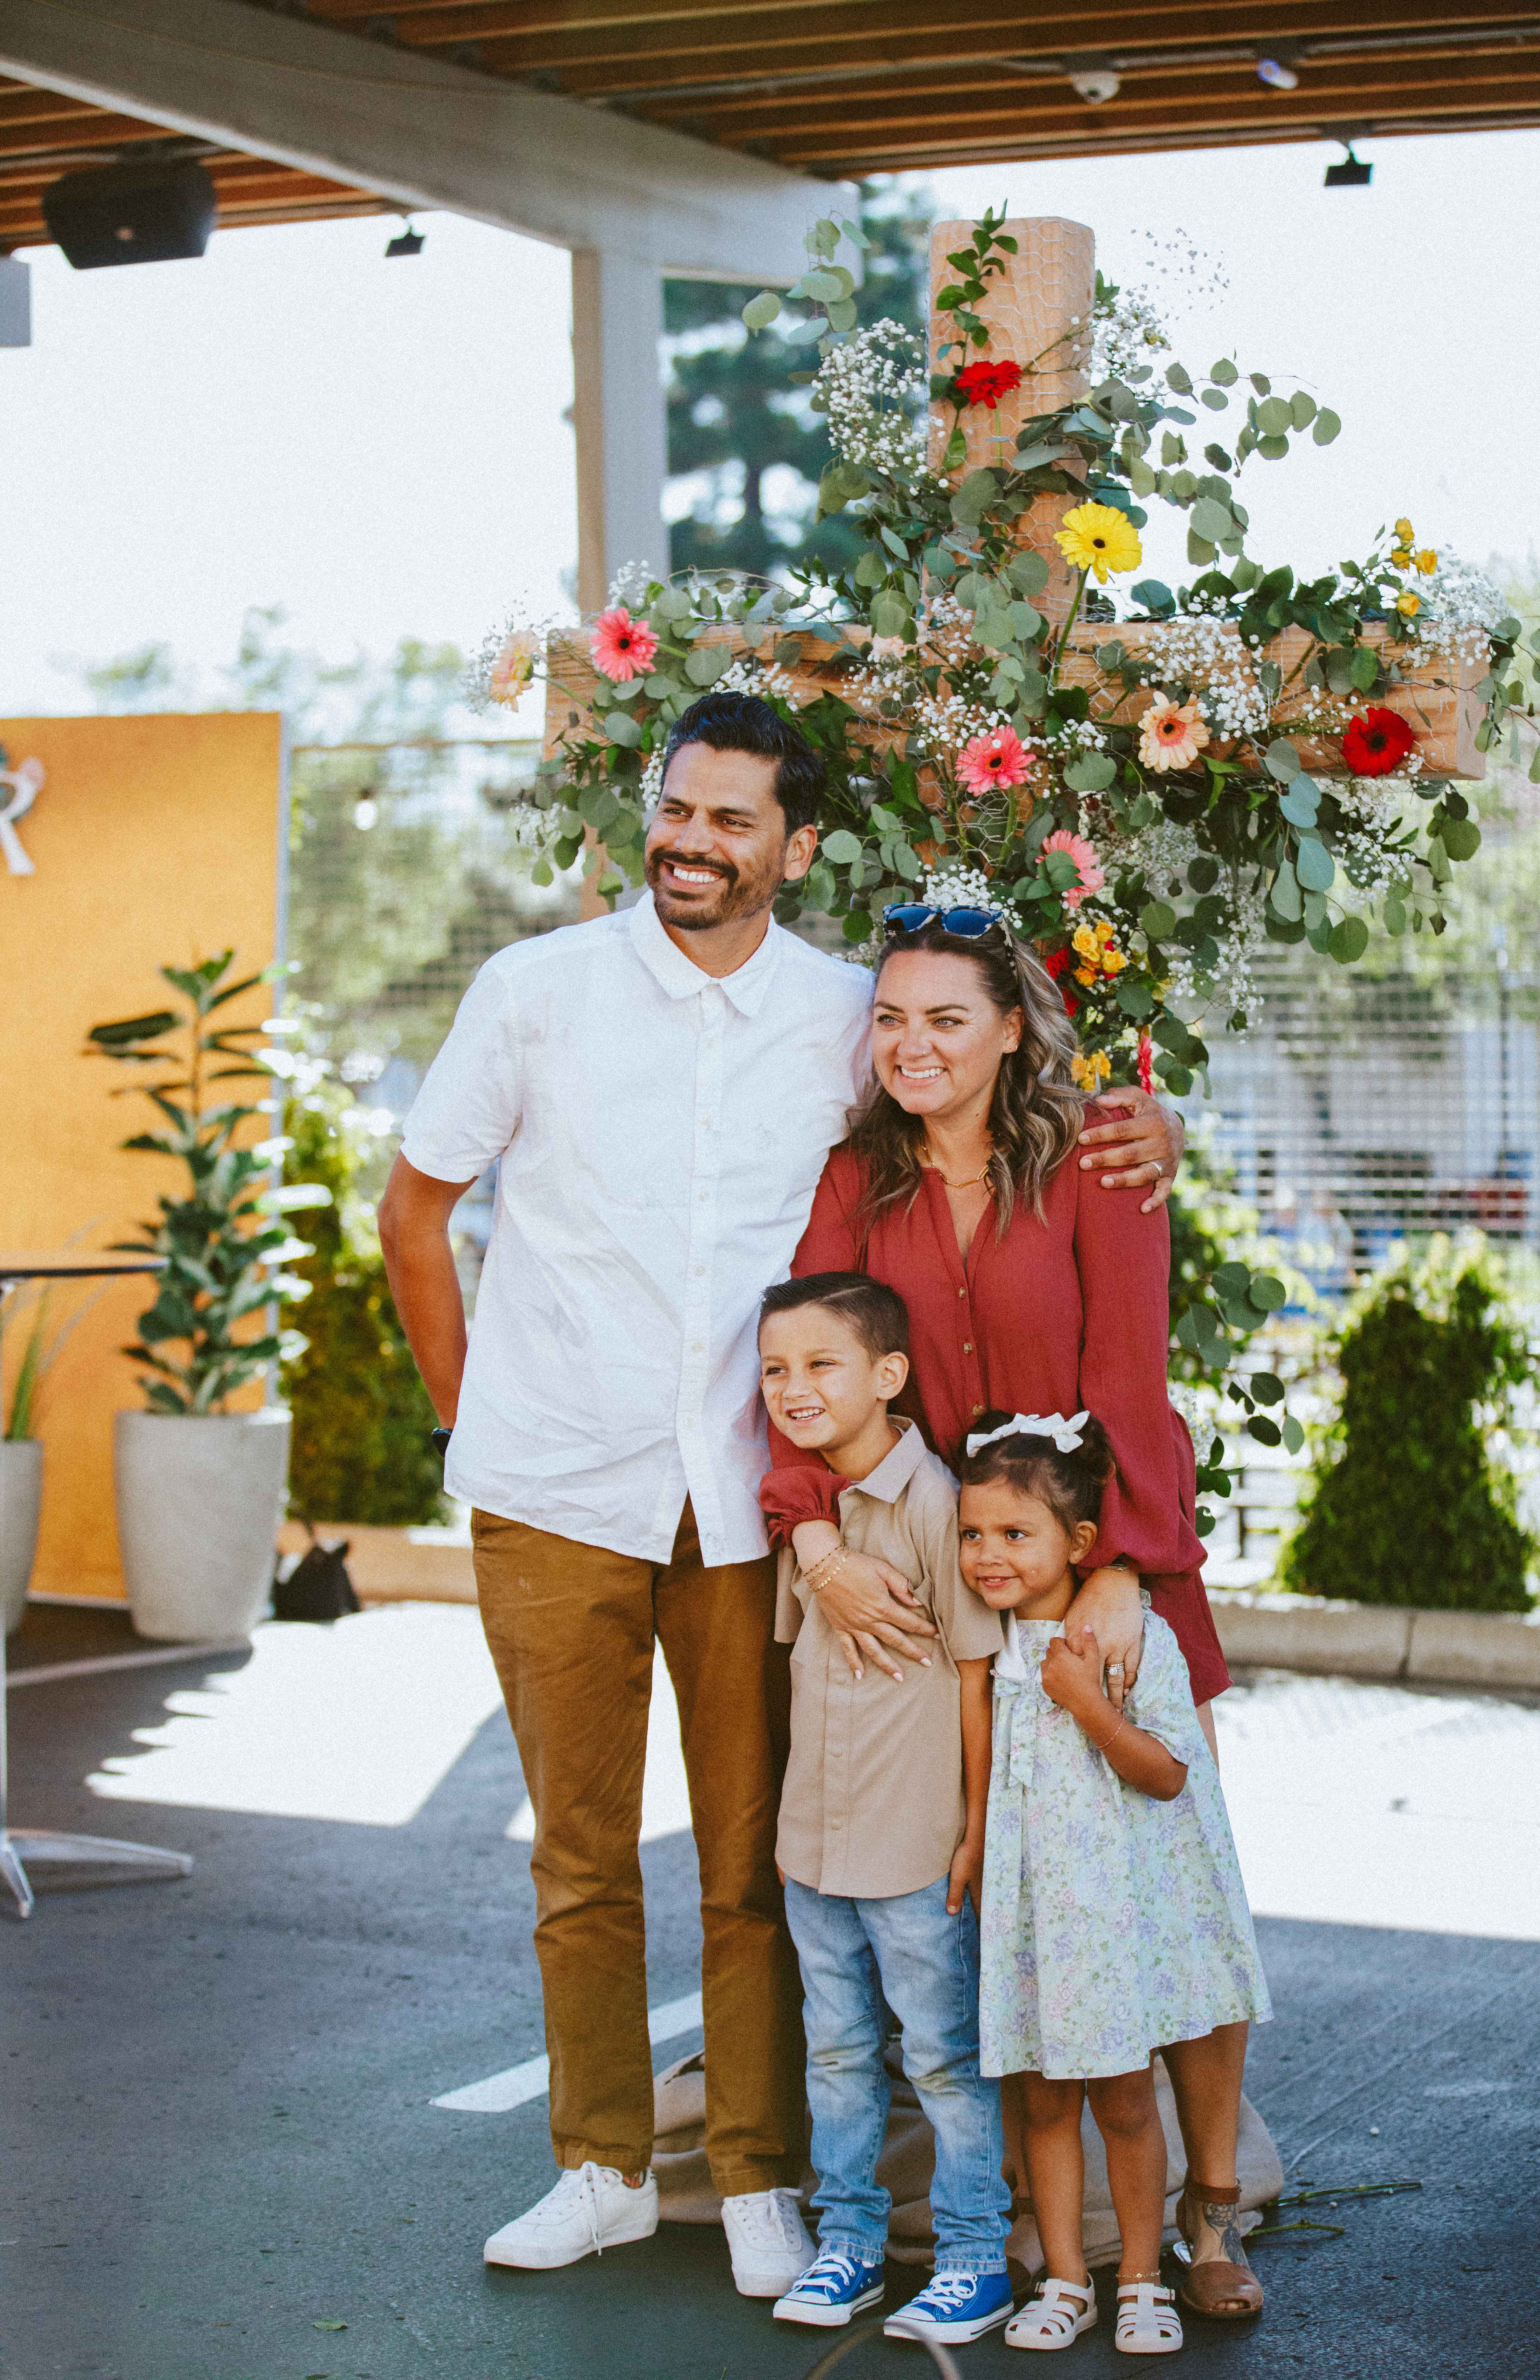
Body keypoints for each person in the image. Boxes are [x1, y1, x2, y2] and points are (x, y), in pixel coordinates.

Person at [377, 691, 1183, 2293]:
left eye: (733, 818)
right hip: (553, 1490)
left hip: (752, 1505)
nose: (692, 840)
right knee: (580, 1853)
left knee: (757, 1860)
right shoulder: (533, 992)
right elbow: (416, 1216)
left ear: (795, 846)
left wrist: (1152, 1127)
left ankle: (757, 2178)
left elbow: (976, 1098)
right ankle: (600, 2163)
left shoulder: (841, 1016)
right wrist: (482, 1427)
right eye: (678, 809)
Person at [761, 908, 1267, 2320]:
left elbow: (1131, 1370)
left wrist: (1128, 1566)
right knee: (1025, 1911)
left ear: (1007, 1029)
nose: (912, 1045)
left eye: (944, 1019)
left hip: (1114, 1571)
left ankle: (1212, 2221)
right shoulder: (853, 1181)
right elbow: (802, 1356)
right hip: (946, 1596)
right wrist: (809, 1543)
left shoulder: (1102, 1158)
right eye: (890, 1019)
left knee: (1179, 1906)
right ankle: (1052, 2234)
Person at [958, 1411, 1271, 2356]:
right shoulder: (993, 1650)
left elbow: (1171, 1774)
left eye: (1016, 1535)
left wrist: (1090, 1706)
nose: (988, 1555)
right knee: (1043, 2104)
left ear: (1080, 1544)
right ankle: (1066, 2279)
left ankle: (1141, 2278)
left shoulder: (1132, 1644)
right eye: (972, 1534)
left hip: (1113, 1931)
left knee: (1127, 2100)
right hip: (1032, 1926)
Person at [756, 1272, 1012, 2345]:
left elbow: (973, 1675)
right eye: (774, 1369)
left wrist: (974, 1829)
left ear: (890, 1376)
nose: (793, 1388)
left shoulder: (939, 1505)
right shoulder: (804, 1515)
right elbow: (792, 1658)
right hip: (813, 1841)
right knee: (838, 2050)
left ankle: (974, 2257)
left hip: (914, 1845)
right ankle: (849, 2246)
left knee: (944, 2058)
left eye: (821, 1365)